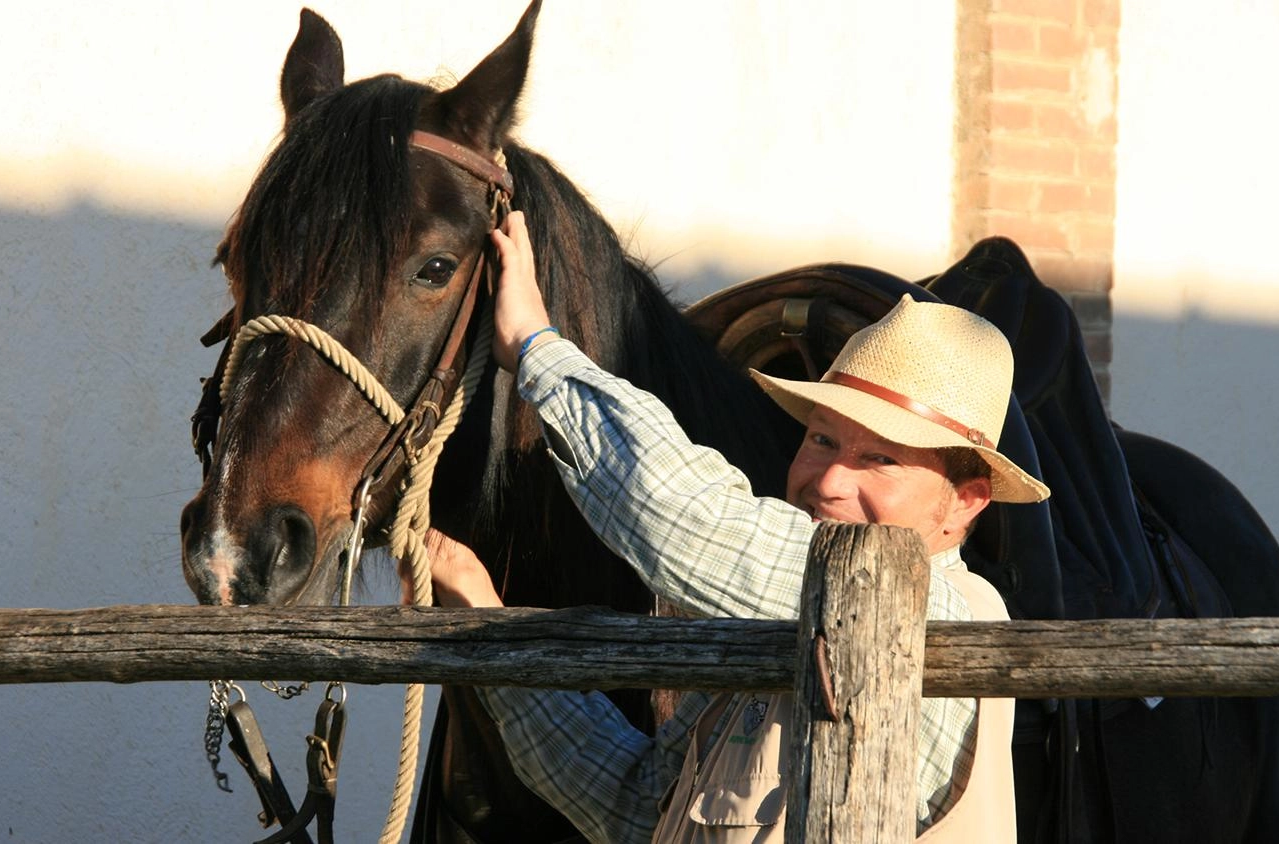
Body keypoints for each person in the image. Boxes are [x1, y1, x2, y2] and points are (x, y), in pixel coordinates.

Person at [422, 210, 1050, 842]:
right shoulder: (771, 628)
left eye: (881, 458)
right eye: (822, 439)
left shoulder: (944, 611)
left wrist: (539, 348)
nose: (830, 480)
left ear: (966, 503)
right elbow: (637, 807)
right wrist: (481, 608)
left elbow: (685, 519)